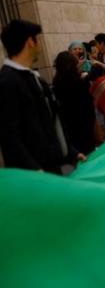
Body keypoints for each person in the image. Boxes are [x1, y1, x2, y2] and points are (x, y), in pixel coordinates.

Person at [0, 19, 85, 173]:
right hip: (36, 178)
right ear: (30, 42)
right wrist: (34, 169)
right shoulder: (7, 82)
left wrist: (70, 152)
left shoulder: (34, 78)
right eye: (37, 39)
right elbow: (9, 135)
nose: (39, 45)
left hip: (52, 169)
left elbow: (51, 121)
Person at [52, 51, 97, 155]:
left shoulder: (56, 85)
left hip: (68, 130)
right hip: (84, 128)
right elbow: (89, 108)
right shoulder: (80, 84)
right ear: (72, 66)